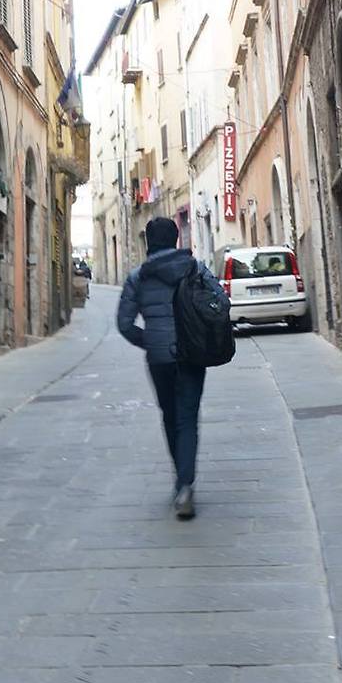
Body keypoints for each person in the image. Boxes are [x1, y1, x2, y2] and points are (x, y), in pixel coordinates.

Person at [116, 216, 226, 519]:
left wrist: (150, 340)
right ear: (176, 239)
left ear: (149, 243)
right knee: (187, 418)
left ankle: (181, 480)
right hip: (192, 354)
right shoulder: (195, 268)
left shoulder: (138, 277)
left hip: (159, 359)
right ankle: (185, 485)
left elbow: (124, 324)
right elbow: (220, 301)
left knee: (170, 416)